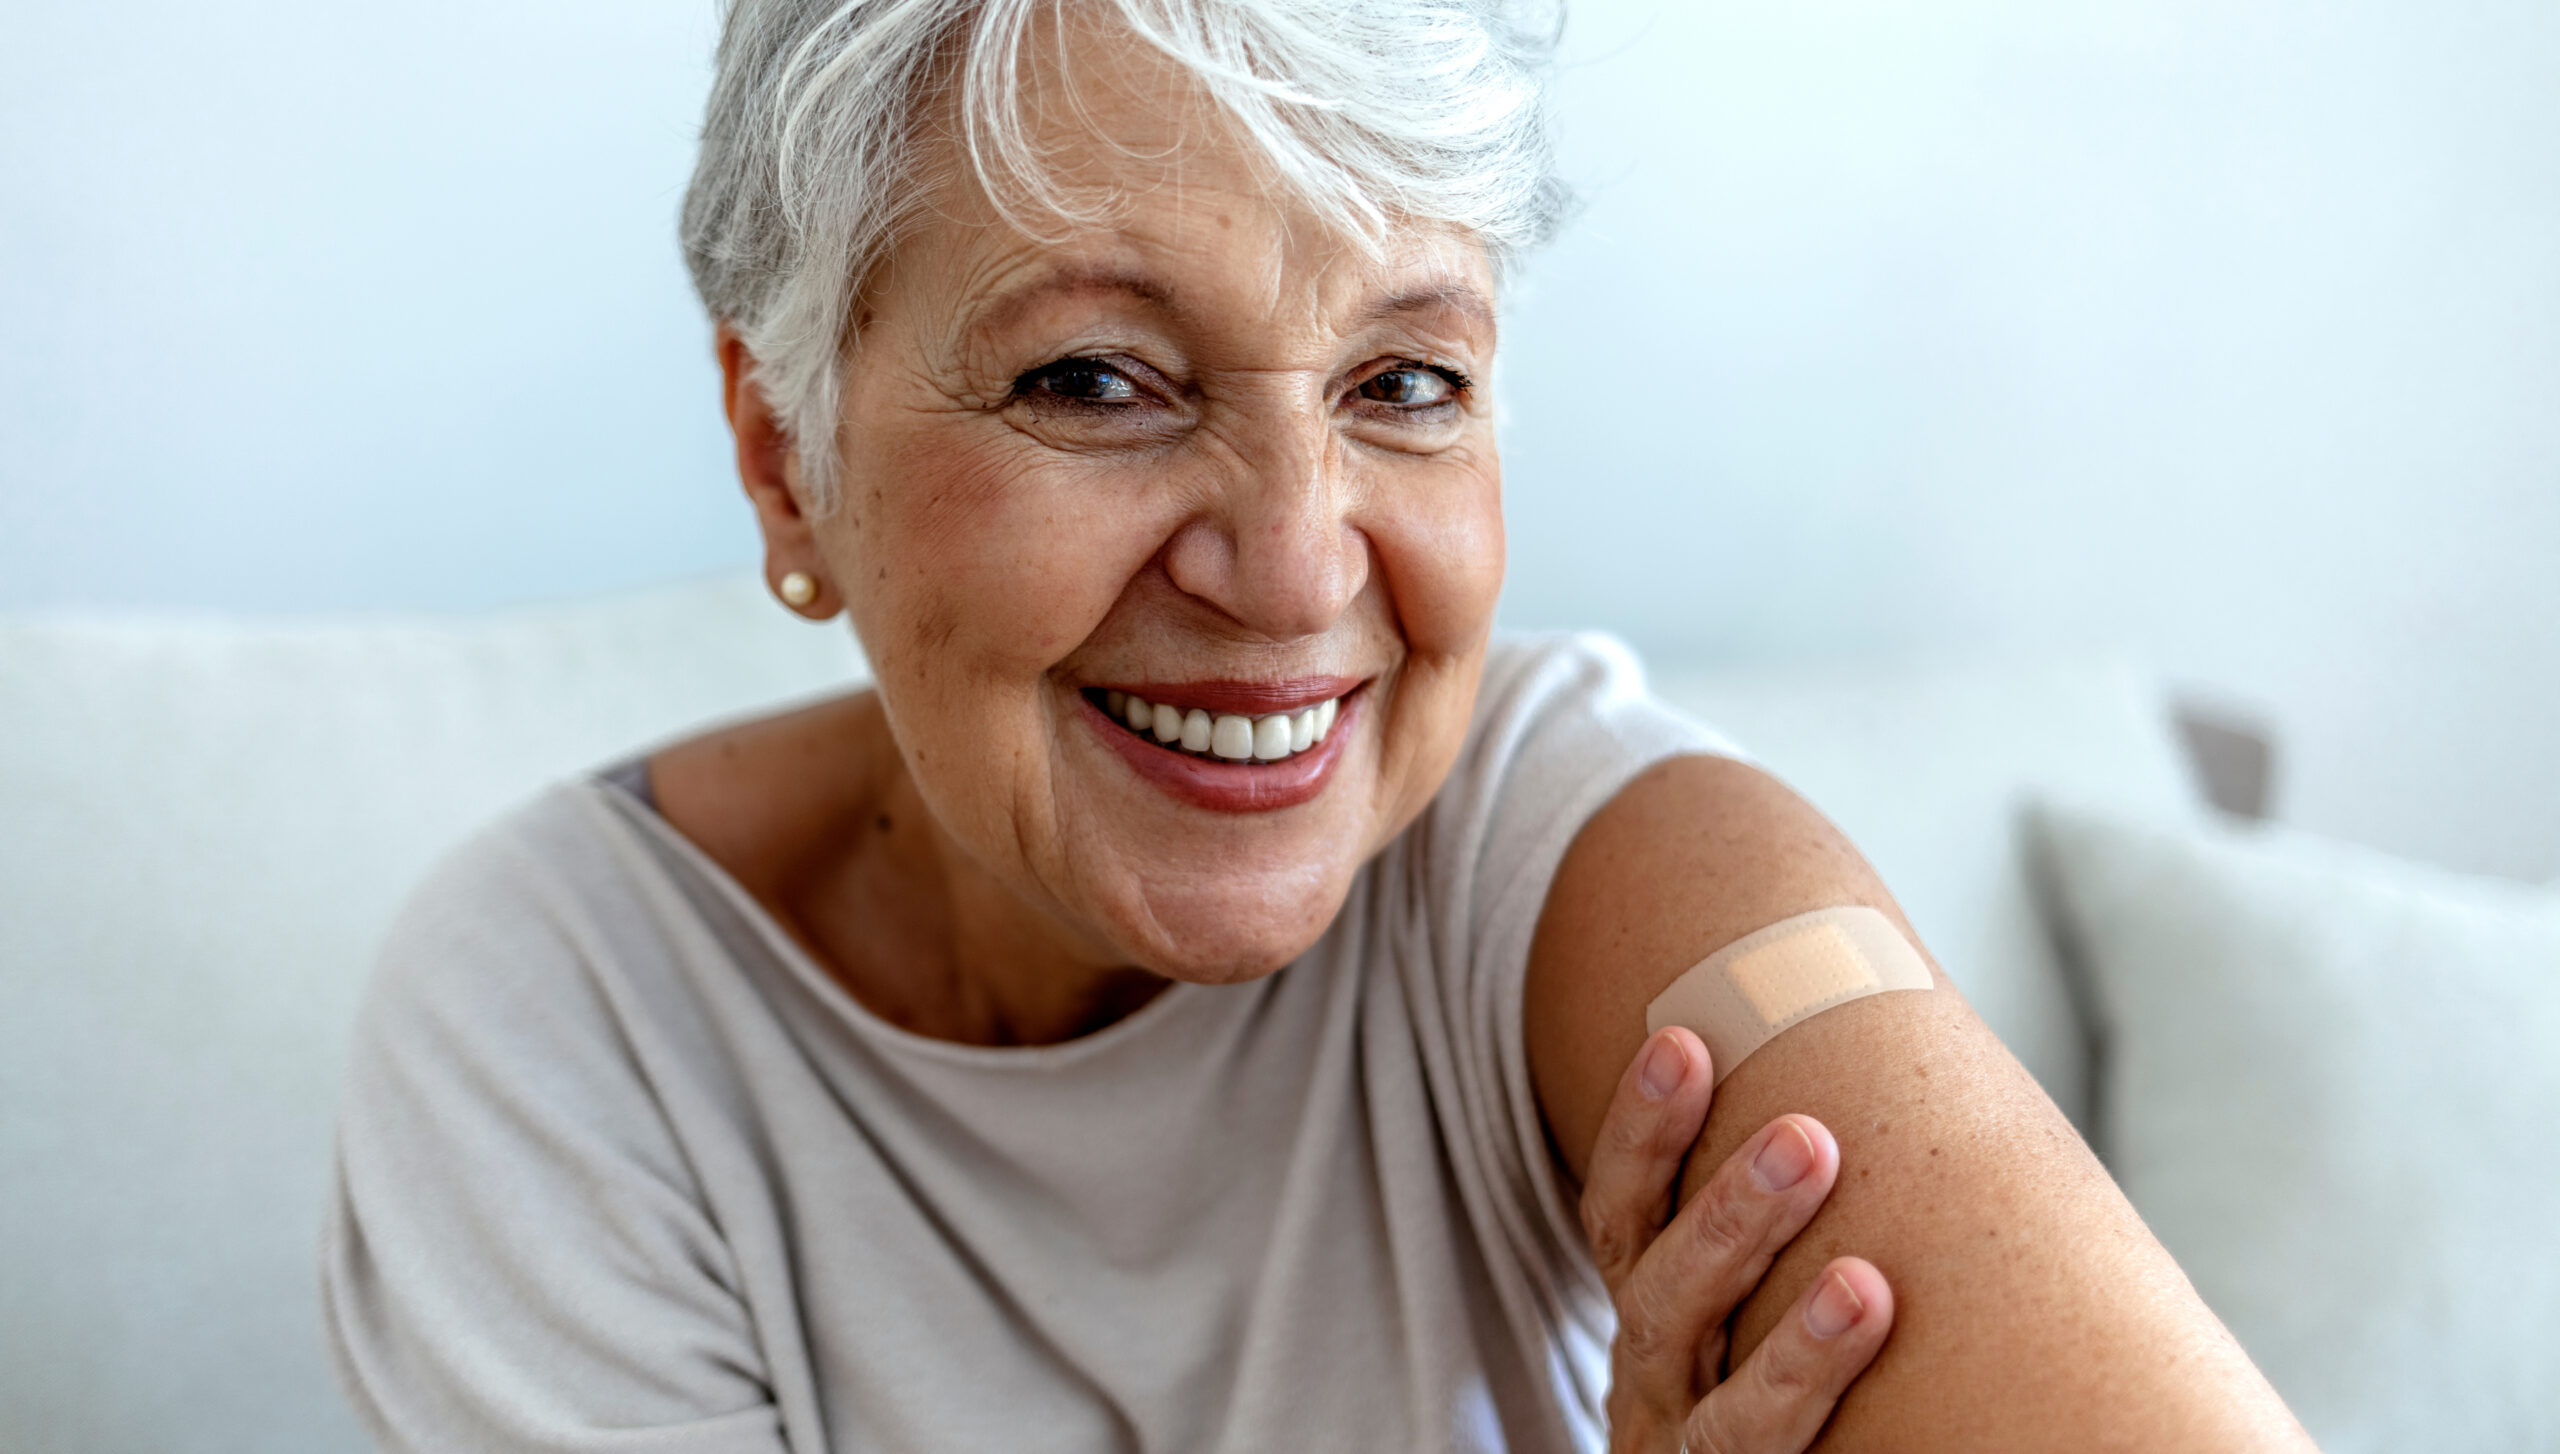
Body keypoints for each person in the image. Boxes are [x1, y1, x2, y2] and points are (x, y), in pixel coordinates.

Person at [320, 1, 2313, 1449]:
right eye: (1094, 378)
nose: (1289, 571)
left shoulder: (1587, 854)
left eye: (1404, 381)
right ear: (785, 459)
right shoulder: (561, 1017)